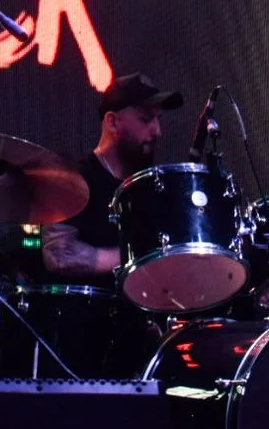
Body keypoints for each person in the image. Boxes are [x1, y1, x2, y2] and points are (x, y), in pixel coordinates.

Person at [35, 72, 182, 376]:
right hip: (84, 341)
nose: (157, 131)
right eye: (146, 119)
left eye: (158, 120)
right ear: (113, 122)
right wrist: (140, 259)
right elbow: (58, 255)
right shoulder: (73, 179)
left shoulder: (155, 187)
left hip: (146, 340)